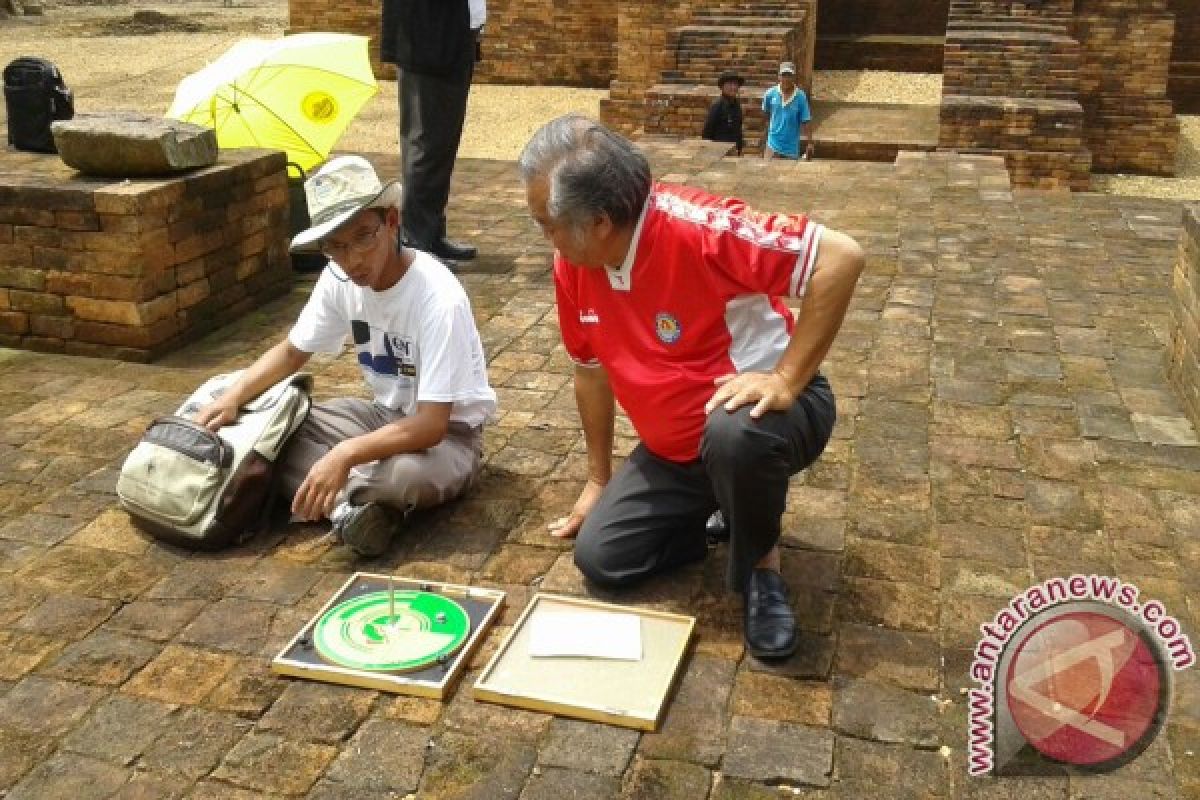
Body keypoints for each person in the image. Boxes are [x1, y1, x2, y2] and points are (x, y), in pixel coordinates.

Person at [518, 115, 864, 659]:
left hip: (766, 420)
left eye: (547, 223)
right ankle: (728, 509)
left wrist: (786, 378)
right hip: (675, 453)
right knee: (603, 558)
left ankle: (760, 566)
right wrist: (596, 478)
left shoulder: (702, 230)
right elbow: (589, 370)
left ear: (601, 222)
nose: (544, 236)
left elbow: (841, 258)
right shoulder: (573, 265)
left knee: (734, 435)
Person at [196, 155, 496, 557]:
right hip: (380, 416)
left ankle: (339, 495)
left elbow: (431, 425)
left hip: (448, 439)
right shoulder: (338, 278)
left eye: (363, 237)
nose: (352, 259)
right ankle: (351, 508)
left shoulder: (437, 298)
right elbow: (291, 352)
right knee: (276, 429)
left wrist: (344, 454)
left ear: (391, 223)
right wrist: (233, 397)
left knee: (402, 476)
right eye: (335, 246)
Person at [380, 0, 485, 266]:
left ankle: (433, 233)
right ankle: (417, 244)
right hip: (427, 41)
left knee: (442, 145)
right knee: (425, 146)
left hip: (454, 37)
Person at [762, 61, 812, 160]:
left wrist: (810, 143)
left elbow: (806, 120)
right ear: (779, 76)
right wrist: (768, 133)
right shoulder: (770, 94)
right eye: (784, 75)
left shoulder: (800, 96)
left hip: (791, 148)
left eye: (789, 75)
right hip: (772, 145)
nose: (786, 79)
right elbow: (766, 113)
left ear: (793, 77)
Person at [701, 69, 745, 156]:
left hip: (733, 151)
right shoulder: (717, 105)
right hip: (718, 152)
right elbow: (707, 132)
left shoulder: (736, 105)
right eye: (730, 84)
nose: (733, 87)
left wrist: (739, 149)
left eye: (735, 84)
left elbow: (738, 129)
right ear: (722, 86)